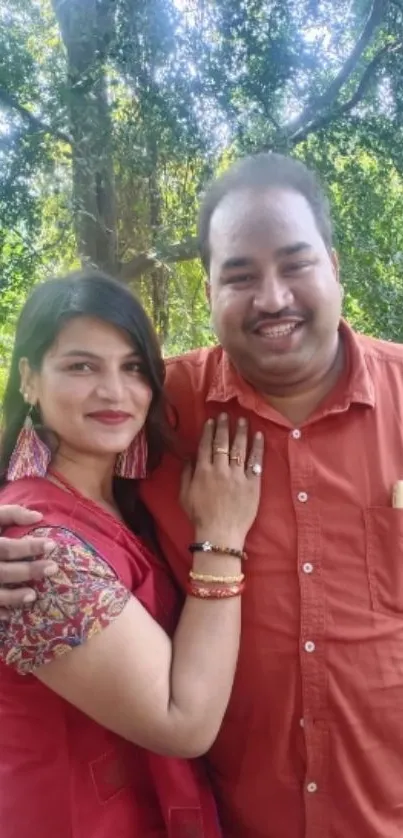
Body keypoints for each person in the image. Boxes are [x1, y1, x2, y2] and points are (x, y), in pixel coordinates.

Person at [1, 151, 403, 838]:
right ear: (209, 287)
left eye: (295, 263)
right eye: (239, 275)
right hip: (224, 814)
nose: (271, 298)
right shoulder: (161, 410)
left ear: (333, 266)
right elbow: (48, 483)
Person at [0, 270, 264, 838]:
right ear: (29, 378)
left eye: (133, 367)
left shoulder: (125, 502)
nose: (114, 392)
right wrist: (222, 536)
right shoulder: (34, 543)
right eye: (81, 366)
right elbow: (183, 723)